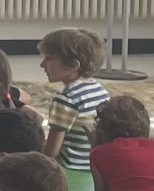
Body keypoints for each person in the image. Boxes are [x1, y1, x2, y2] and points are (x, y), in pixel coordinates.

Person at [39, 28, 112, 180]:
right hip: (94, 167)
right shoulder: (100, 90)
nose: (42, 64)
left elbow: (51, 152)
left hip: (68, 169)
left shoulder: (66, 98)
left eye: (49, 58)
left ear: (73, 65)